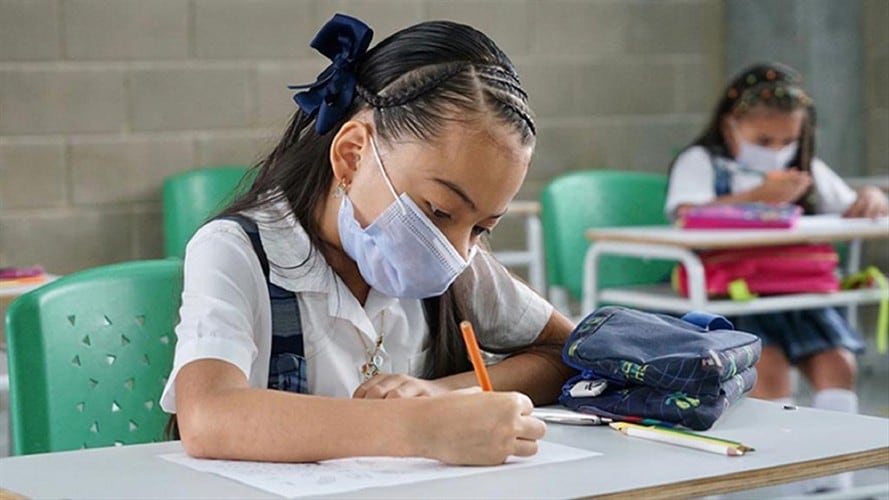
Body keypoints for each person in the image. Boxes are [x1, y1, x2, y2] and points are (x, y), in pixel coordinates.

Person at [159, 14, 575, 466]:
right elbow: (209, 417)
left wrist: (440, 393)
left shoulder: (457, 262)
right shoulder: (236, 251)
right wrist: (424, 427)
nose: (456, 253)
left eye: (481, 229)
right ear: (353, 155)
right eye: (438, 210)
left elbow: (567, 352)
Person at [665, 62, 888, 493]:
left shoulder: (805, 169)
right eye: (764, 140)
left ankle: (831, 480)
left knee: (837, 365)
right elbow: (685, 215)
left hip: (797, 294)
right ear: (731, 125)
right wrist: (756, 197)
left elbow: (851, 204)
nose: (778, 151)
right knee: (769, 373)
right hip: (737, 297)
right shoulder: (702, 162)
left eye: (789, 141)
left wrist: (871, 197)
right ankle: (781, 485)